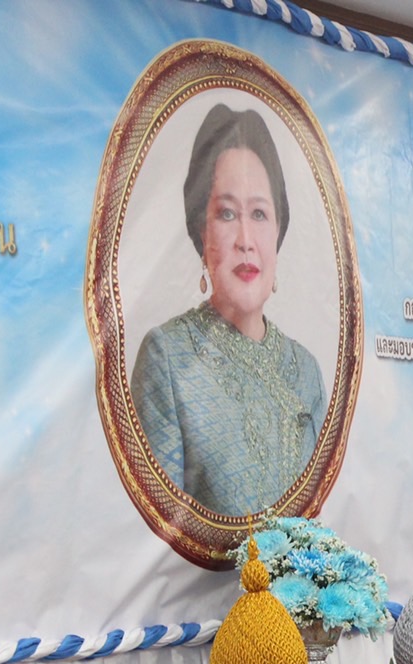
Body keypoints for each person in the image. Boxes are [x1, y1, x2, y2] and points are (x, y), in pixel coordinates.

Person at [132, 103, 327, 517]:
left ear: (278, 231)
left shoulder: (306, 372)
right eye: (225, 213)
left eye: (259, 214)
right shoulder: (166, 359)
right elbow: (156, 535)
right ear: (201, 232)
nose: (245, 239)